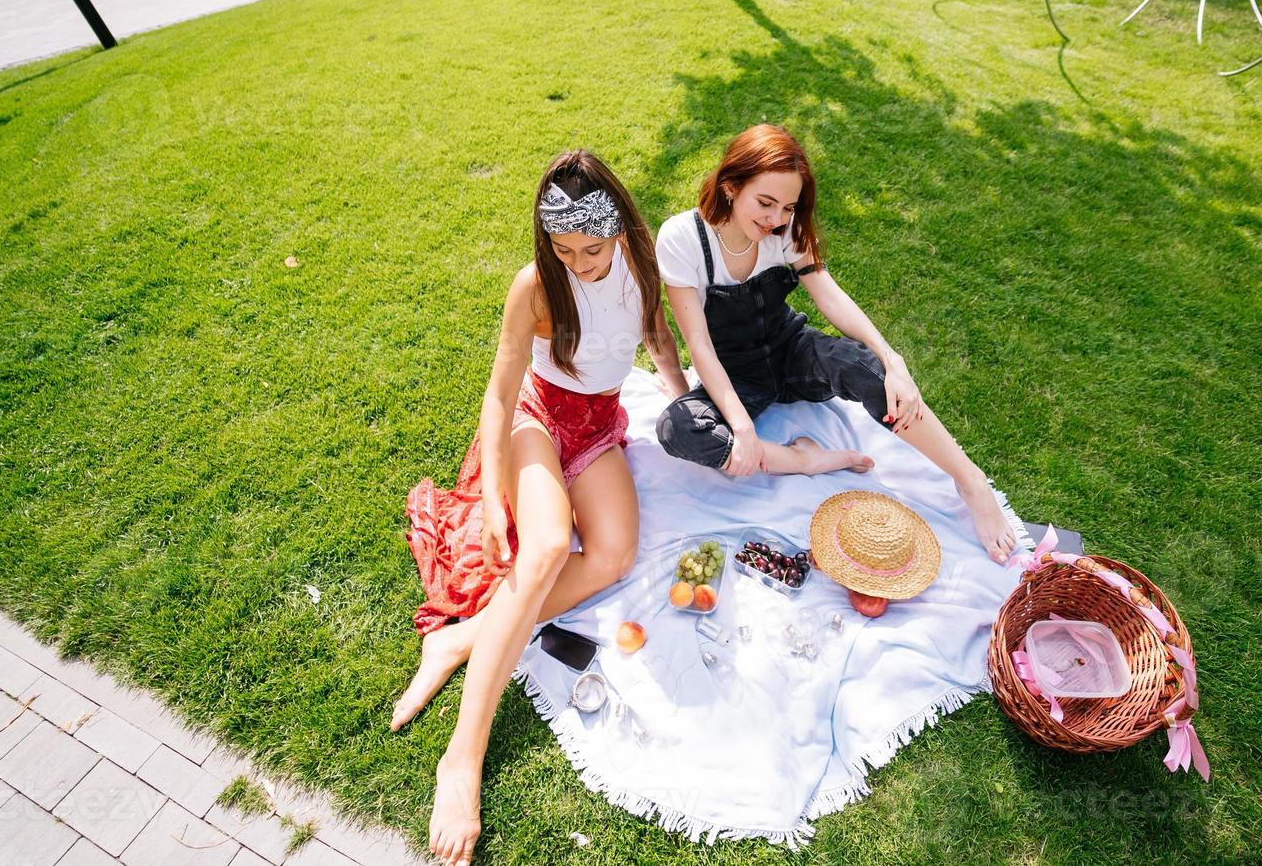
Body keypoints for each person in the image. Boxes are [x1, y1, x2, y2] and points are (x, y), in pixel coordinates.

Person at [403, 151, 689, 866]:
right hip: (537, 420)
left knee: (615, 554)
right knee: (542, 550)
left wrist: (683, 399)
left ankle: (463, 638)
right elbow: (500, 394)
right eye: (563, 250)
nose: (579, 263)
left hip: (596, 426)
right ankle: (461, 760)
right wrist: (497, 497)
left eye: (590, 248)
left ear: (618, 230)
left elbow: (657, 338)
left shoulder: (643, 267)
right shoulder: (534, 285)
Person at [654, 124, 1018, 565]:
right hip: (736, 374)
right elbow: (700, 345)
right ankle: (802, 459)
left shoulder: (786, 230)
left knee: (871, 373)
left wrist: (892, 358)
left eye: (787, 207)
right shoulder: (682, 238)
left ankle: (970, 481)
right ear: (730, 187)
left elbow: (828, 295)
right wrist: (741, 426)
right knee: (677, 427)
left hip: (790, 353)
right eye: (764, 203)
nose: (775, 219)